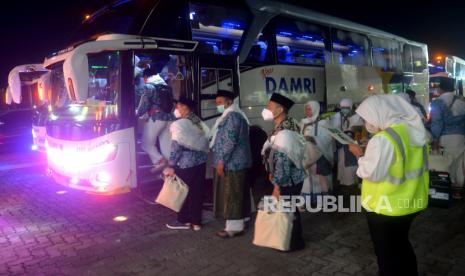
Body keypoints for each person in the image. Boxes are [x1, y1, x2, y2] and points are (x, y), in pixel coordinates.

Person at [348, 94, 429, 276]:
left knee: (386, 253)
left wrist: (359, 155)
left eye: (368, 118)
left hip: (385, 208)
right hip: (411, 202)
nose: (367, 123)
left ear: (381, 113)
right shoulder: (413, 131)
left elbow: (369, 173)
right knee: (402, 245)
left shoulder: (383, 139)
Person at [261, 93, 306, 251]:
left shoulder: (285, 132)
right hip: (294, 177)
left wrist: (277, 186)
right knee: (290, 209)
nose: (266, 109)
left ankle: (292, 243)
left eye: (269, 107)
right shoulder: (288, 124)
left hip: (289, 179)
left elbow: (283, 161)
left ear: (280, 110)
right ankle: (295, 241)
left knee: (287, 210)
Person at [210, 90, 252, 238]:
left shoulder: (232, 116)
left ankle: (234, 228)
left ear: (228, 101)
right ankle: (244, 219)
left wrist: (221, 161)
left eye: (220, 102)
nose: (218, 105)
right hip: (237, 162)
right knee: (240, 192)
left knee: (231, 194)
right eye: (216, 103)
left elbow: (229, 141)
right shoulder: (233, 114)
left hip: (232, 163)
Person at [163, 98, 209, 231]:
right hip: (200, 163)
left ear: (185, 108)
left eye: (178, 106)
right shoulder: (198, 121)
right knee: (196, 192)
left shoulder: (180, 124)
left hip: (185, 164)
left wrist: (171, 165)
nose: (176, 109)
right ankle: (196, 222)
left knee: (181, 192)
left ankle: (183, 220)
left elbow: (176, 147)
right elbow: (207, 138)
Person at [136, 58, 175, 173]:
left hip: (156, 119)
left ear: (146, 77)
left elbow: (144, 104)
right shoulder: (166, 87)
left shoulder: (149, 87)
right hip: (169, 119)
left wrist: (138, 113)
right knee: (166, 147)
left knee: (146, 144)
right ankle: (170, 173)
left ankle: (160, 161)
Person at [430, 77, 465, 198]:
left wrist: (435, 139)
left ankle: (445, 189)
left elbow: (437, 122)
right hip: (461, 137)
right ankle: (457, 190)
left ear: (441, 88)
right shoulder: (461, 100)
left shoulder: (438, 102)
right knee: (459, 163)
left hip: (446, 137)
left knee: (446, 162)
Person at [300, 101, 334, 200]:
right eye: (306, 109)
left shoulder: (323, 122)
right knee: (307, 177)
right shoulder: (303, 122)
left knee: (321, 176)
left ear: (315, 109)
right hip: (307, 154)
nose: (307, 111)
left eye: (309, 109)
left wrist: (315, 141)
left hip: (320, 154)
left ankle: (324, 199)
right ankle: (309, 198)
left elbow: (328, 137)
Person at [330, 98, 364, 188]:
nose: (344, 109)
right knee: (344, 164)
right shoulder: (337, 116)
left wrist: (351, 131)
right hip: (342, 146)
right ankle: (346, 182)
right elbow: (334, 129)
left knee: (355, 163)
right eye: (342, 107)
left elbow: (360, 130)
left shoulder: (356, 116)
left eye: (346, 107)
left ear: (351, 106)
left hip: (354, 145)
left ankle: (356, 182)